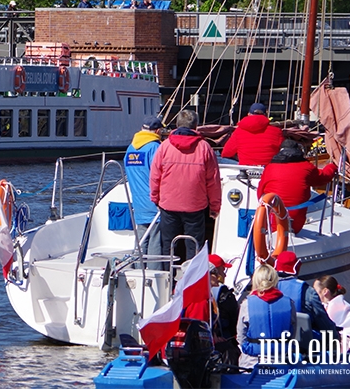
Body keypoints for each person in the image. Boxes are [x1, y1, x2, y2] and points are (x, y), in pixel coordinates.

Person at [150, 109, 221, 263]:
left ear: (177, 125)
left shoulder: (164, 147)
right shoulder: (204, 148)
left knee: (168, 247)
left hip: (168, 205)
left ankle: (169, 281)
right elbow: (213, 181)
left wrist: (155, 198)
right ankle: (192, 280)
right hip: (195, 206)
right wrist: (215, 207)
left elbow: (155, 176)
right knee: (194, 247)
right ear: (196, 126)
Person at [257, 139, 337, 233]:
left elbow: (260, 193)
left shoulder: (270, 167)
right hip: (296, 221)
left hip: (271, 219)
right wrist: (332, 167)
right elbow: (323, 178)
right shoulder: (306, 167)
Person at [124, 115, 164, 269]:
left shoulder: (131, 148)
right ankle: (154, 279)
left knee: (140, 242)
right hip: (154, 202)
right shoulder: (155, 148)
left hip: (138, 203)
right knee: (155, 242)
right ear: (158, 130)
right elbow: (159, 174)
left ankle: (136, 274)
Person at [237, 265, 296, 369]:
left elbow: (241, 336)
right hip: (280, 359)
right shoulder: (289, 303)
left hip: (252, 361)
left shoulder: (246, 304)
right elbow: (292, 332)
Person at [274, 251, 338, 340]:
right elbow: (322, 320)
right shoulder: (308, 292)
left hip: (273, 341)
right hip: (301, 343)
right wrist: (335, 336)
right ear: (297, 268)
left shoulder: (266, 289)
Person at [314, 275, 350, 356]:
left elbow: (327, 326)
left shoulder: (339, 306)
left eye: (315, 291)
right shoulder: (328, 304)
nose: (313, 293)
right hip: (343, 338)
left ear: (325, 291)